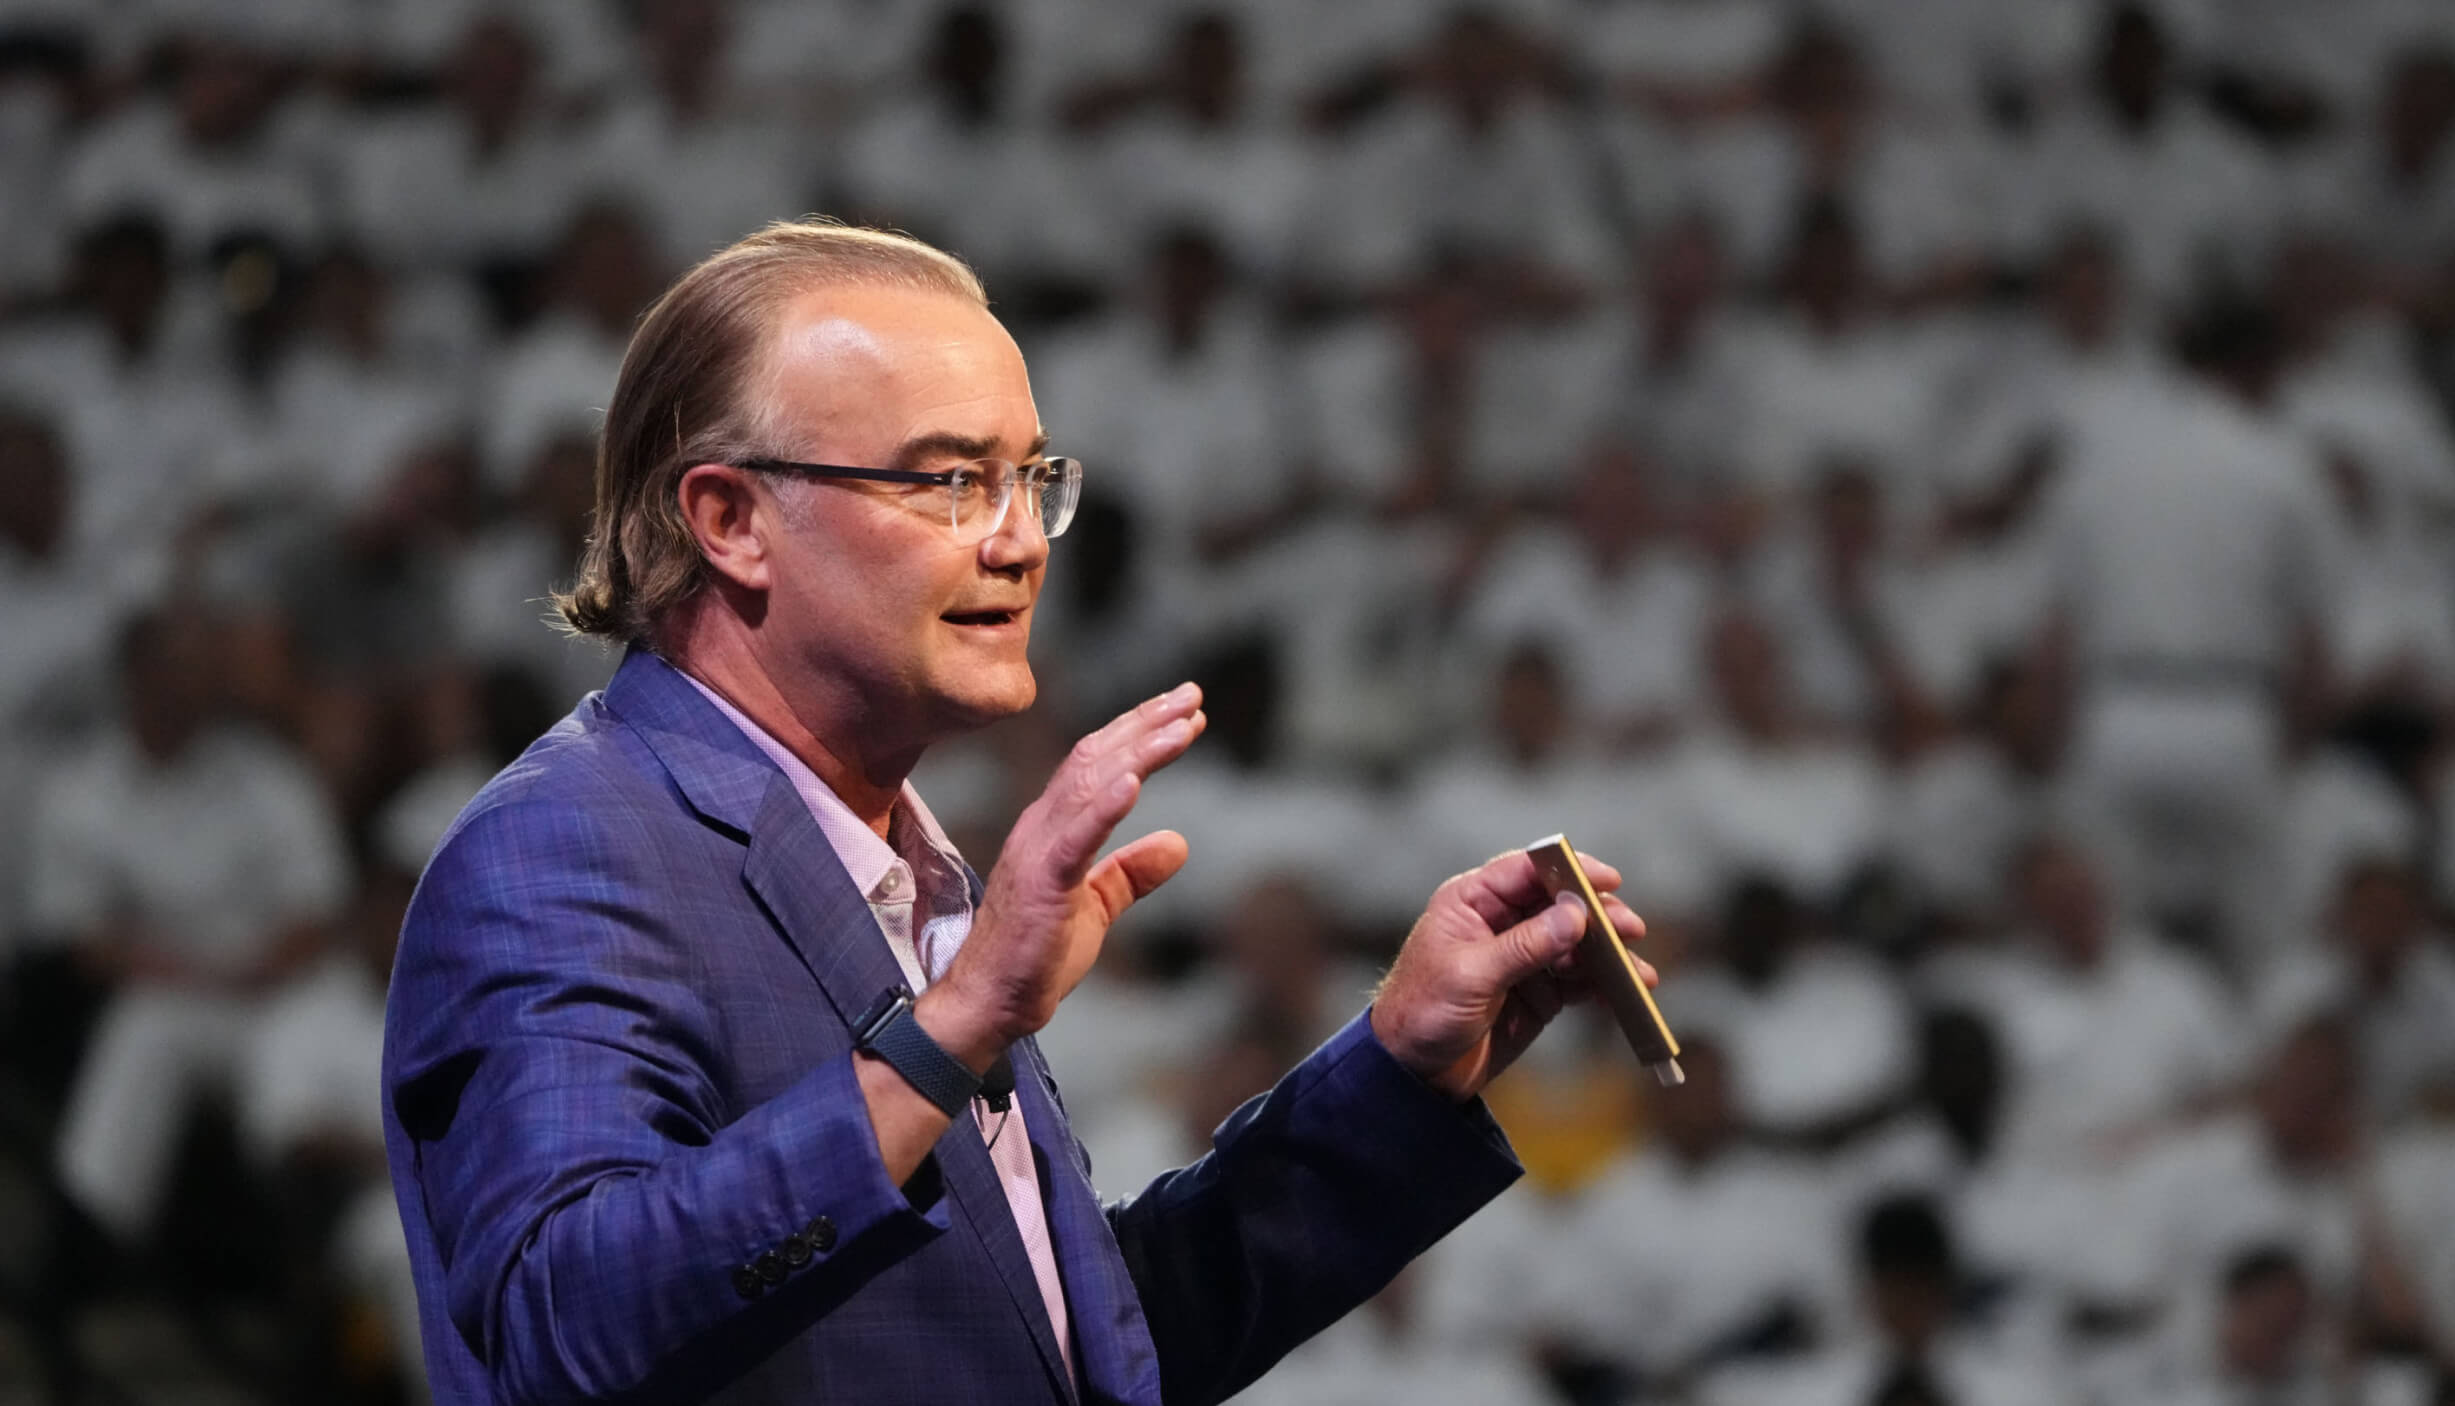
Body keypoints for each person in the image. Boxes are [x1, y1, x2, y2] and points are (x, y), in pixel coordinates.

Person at [380, 219, 1651, 1406]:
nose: (1020, 539)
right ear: (730, 520)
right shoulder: (566, 843)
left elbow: (1064, 1353)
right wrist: (953, 1026)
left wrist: (1394, 1074)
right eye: (946, 481)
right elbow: (561, 1320)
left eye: (1029, 477)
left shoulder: (899, 858)